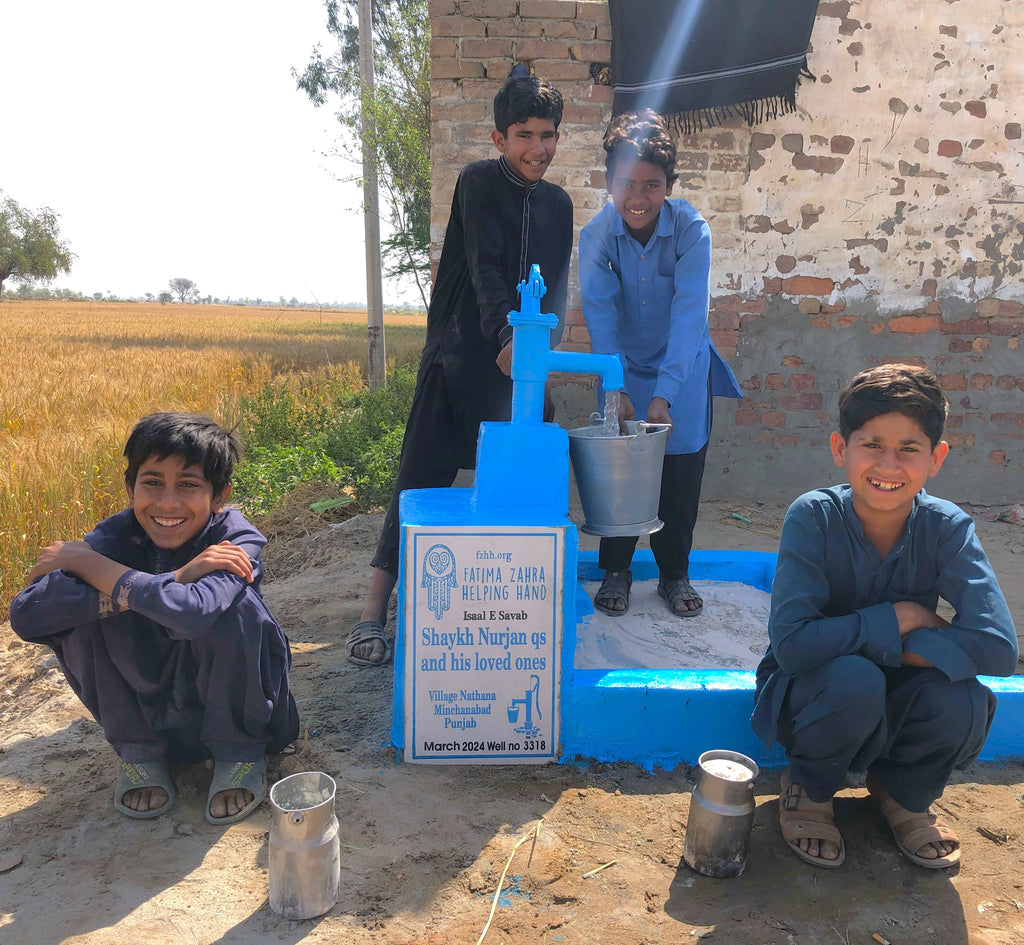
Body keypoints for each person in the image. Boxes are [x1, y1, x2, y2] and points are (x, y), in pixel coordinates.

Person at [346, 70, 573, 667]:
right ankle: (372, 612)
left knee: (528, 474)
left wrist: (540, 346)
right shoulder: (477, 183)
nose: (538, 149)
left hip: (520, 362)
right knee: (418, 478)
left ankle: (514, 606)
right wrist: (506, 334)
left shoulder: (558, 204)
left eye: (548, 135)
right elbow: (485, 268)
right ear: (499, 139)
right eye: (524, 135)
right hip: (460, 350)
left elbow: (554, 286)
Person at [751, 364, 1018, 869]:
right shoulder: (813, 516)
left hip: (896, 688)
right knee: (853, 679)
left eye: (909, 449)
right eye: (871, 444)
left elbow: (999, 649)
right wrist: (901, 617)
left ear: (936, 458)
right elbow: (793, 646)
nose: (888, 465)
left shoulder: (947, 528)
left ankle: (903, 794)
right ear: (840, 449)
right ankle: (808, 790)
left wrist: (899, 639)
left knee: (959, 696)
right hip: (816, 693)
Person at [9, 413, 300, 824]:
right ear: (130, 488)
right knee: (82, 617)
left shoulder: (236, 539)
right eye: (152, 482)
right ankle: (141, 754)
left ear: (219, 496)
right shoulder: (112, 538)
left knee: (236, 609)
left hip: (233, 716)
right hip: (150, 723)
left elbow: (191, 614)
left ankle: (239, 754)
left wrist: (93, 569)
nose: (167, 502)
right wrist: (176, 577)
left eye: (188, 485)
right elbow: (28, 615)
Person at [578, 109, 742, 619]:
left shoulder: (692, 230)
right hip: (621, 368)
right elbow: (600, 317)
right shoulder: (597, 235)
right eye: (625, 184)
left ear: (669, 185)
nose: (638, 198)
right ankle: (617, 572)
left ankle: (674, 573)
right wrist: (616, 388)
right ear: (608, 182)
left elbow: (691, 317)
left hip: (684, 369)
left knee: (679, 475)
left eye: (651, 185)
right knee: (619, 474)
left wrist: (665, 394)